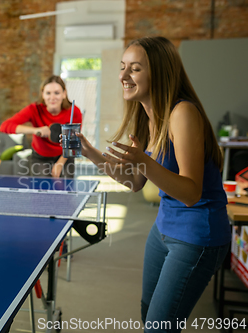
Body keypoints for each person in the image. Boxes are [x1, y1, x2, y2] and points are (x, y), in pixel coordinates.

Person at [76, 36, 230, 332]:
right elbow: (135, 182)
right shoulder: (148, 117)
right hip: (163, 228)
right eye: (123, 68)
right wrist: (90, 152)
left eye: (134, 69)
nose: (123, 76)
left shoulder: (182, 113)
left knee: (159, 327)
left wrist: (143, 160)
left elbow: (190, 192)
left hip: (197, 235)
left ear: (158, 72)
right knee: (150, 316)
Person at [0, 75, 82, 178]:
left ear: (64, 94)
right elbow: (5, 126)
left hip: (65, 156)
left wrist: (60, 163)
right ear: (42, 94)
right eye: (48, 93)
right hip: (40, 157)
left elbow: (73, 143)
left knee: (65, 190)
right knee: (42, 191)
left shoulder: (74, 112)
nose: (52, 97)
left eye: (56, 93)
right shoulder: (34, 109)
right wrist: (35, 130)